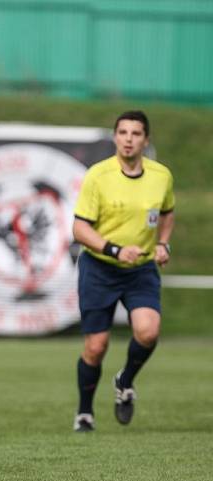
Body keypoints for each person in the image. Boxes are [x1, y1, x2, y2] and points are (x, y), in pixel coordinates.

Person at [71, 110, 175, 432]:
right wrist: (115, 249)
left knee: (149, 331)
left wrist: (164, 244)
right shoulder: (98, 176)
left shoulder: (161, 176)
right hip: (100, 268)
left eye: (136, 133)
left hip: (141, 269)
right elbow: (79, 228)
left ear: (146, 139)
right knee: (96, 347)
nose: (129, 139)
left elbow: (168, 213)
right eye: (123, 133)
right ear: (115, 137)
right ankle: (85, 412)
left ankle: (124, 380)